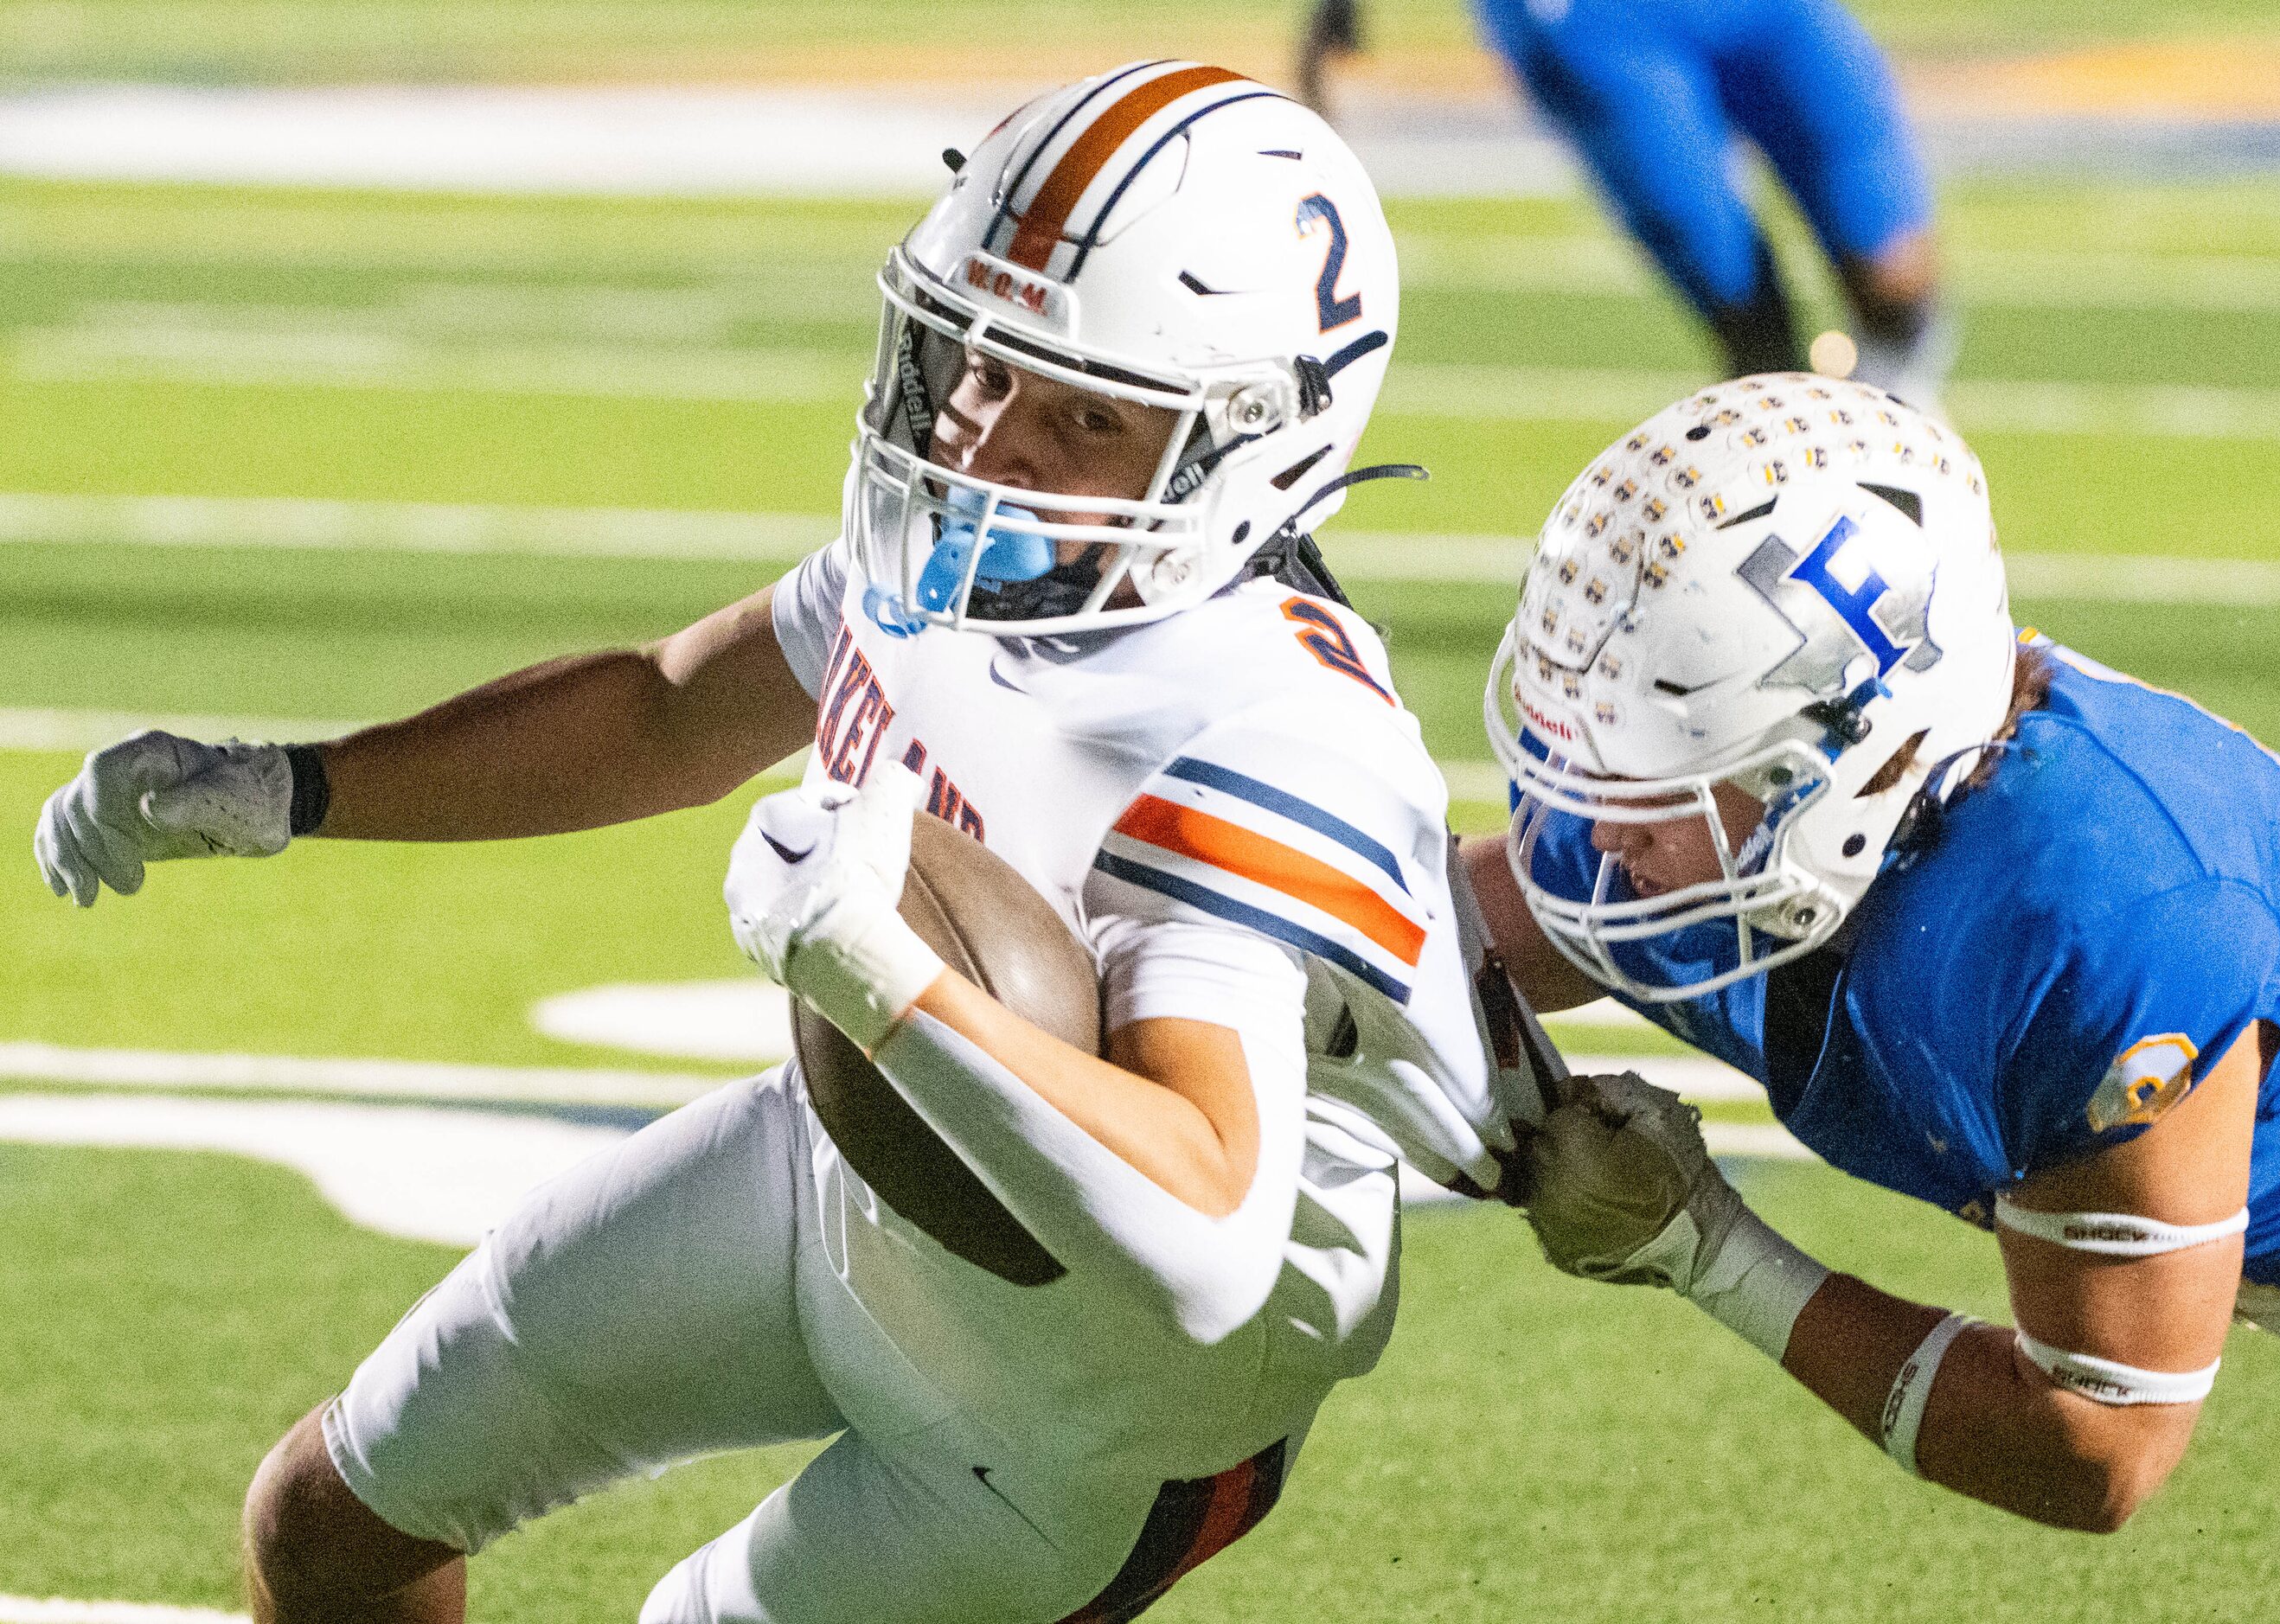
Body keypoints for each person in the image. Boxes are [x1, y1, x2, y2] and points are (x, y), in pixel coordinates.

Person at [35, 61, 1555, 1624]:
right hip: (843, 1174)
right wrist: (300, 785)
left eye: (1084, 412)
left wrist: (882, 970)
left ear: (1248, 447)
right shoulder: (983, 552)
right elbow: (662, 709)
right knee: (331, 1517)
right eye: (979, 356)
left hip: (1091, 1397)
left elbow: (1201, 1231)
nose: (991, 438)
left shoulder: (1250, 723)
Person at [1466, 371, 2280, 1619]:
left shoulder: (2095, 922)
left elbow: (2091, 1442)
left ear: (1854, 762)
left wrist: (1704, 1246)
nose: (1597, 827)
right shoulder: (1772, 820)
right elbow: (1414, 942)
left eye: (1666, 771)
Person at [1297, 0, 1953, 406]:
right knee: (1746, 310)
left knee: (1895, 270)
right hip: (1599, 20)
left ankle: (1896, 432)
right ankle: (1813, 517)